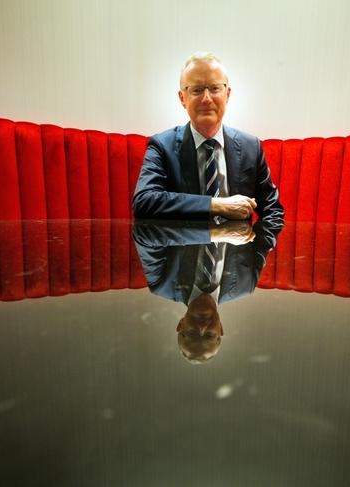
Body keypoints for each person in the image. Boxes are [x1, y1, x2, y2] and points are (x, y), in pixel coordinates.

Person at [132, 52, 284, 225]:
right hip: (183, 250)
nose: (206, 99)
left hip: (237, 249)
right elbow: (144, 201)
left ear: (227, 94)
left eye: (214, 88)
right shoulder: (162, 146)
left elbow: (273, 212)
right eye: (197, 90)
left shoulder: (251, 147)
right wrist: (216, 205)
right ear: (182, 98)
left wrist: (254, 252)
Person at [133, 219, 279, 363]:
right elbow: (271, 224)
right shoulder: (245, 284)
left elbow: (144, 233)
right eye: (209, 335)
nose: (202, 327)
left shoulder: (161, 283)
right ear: (220, 330)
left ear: (180, 325)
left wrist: (215, 233)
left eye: (192, 333)